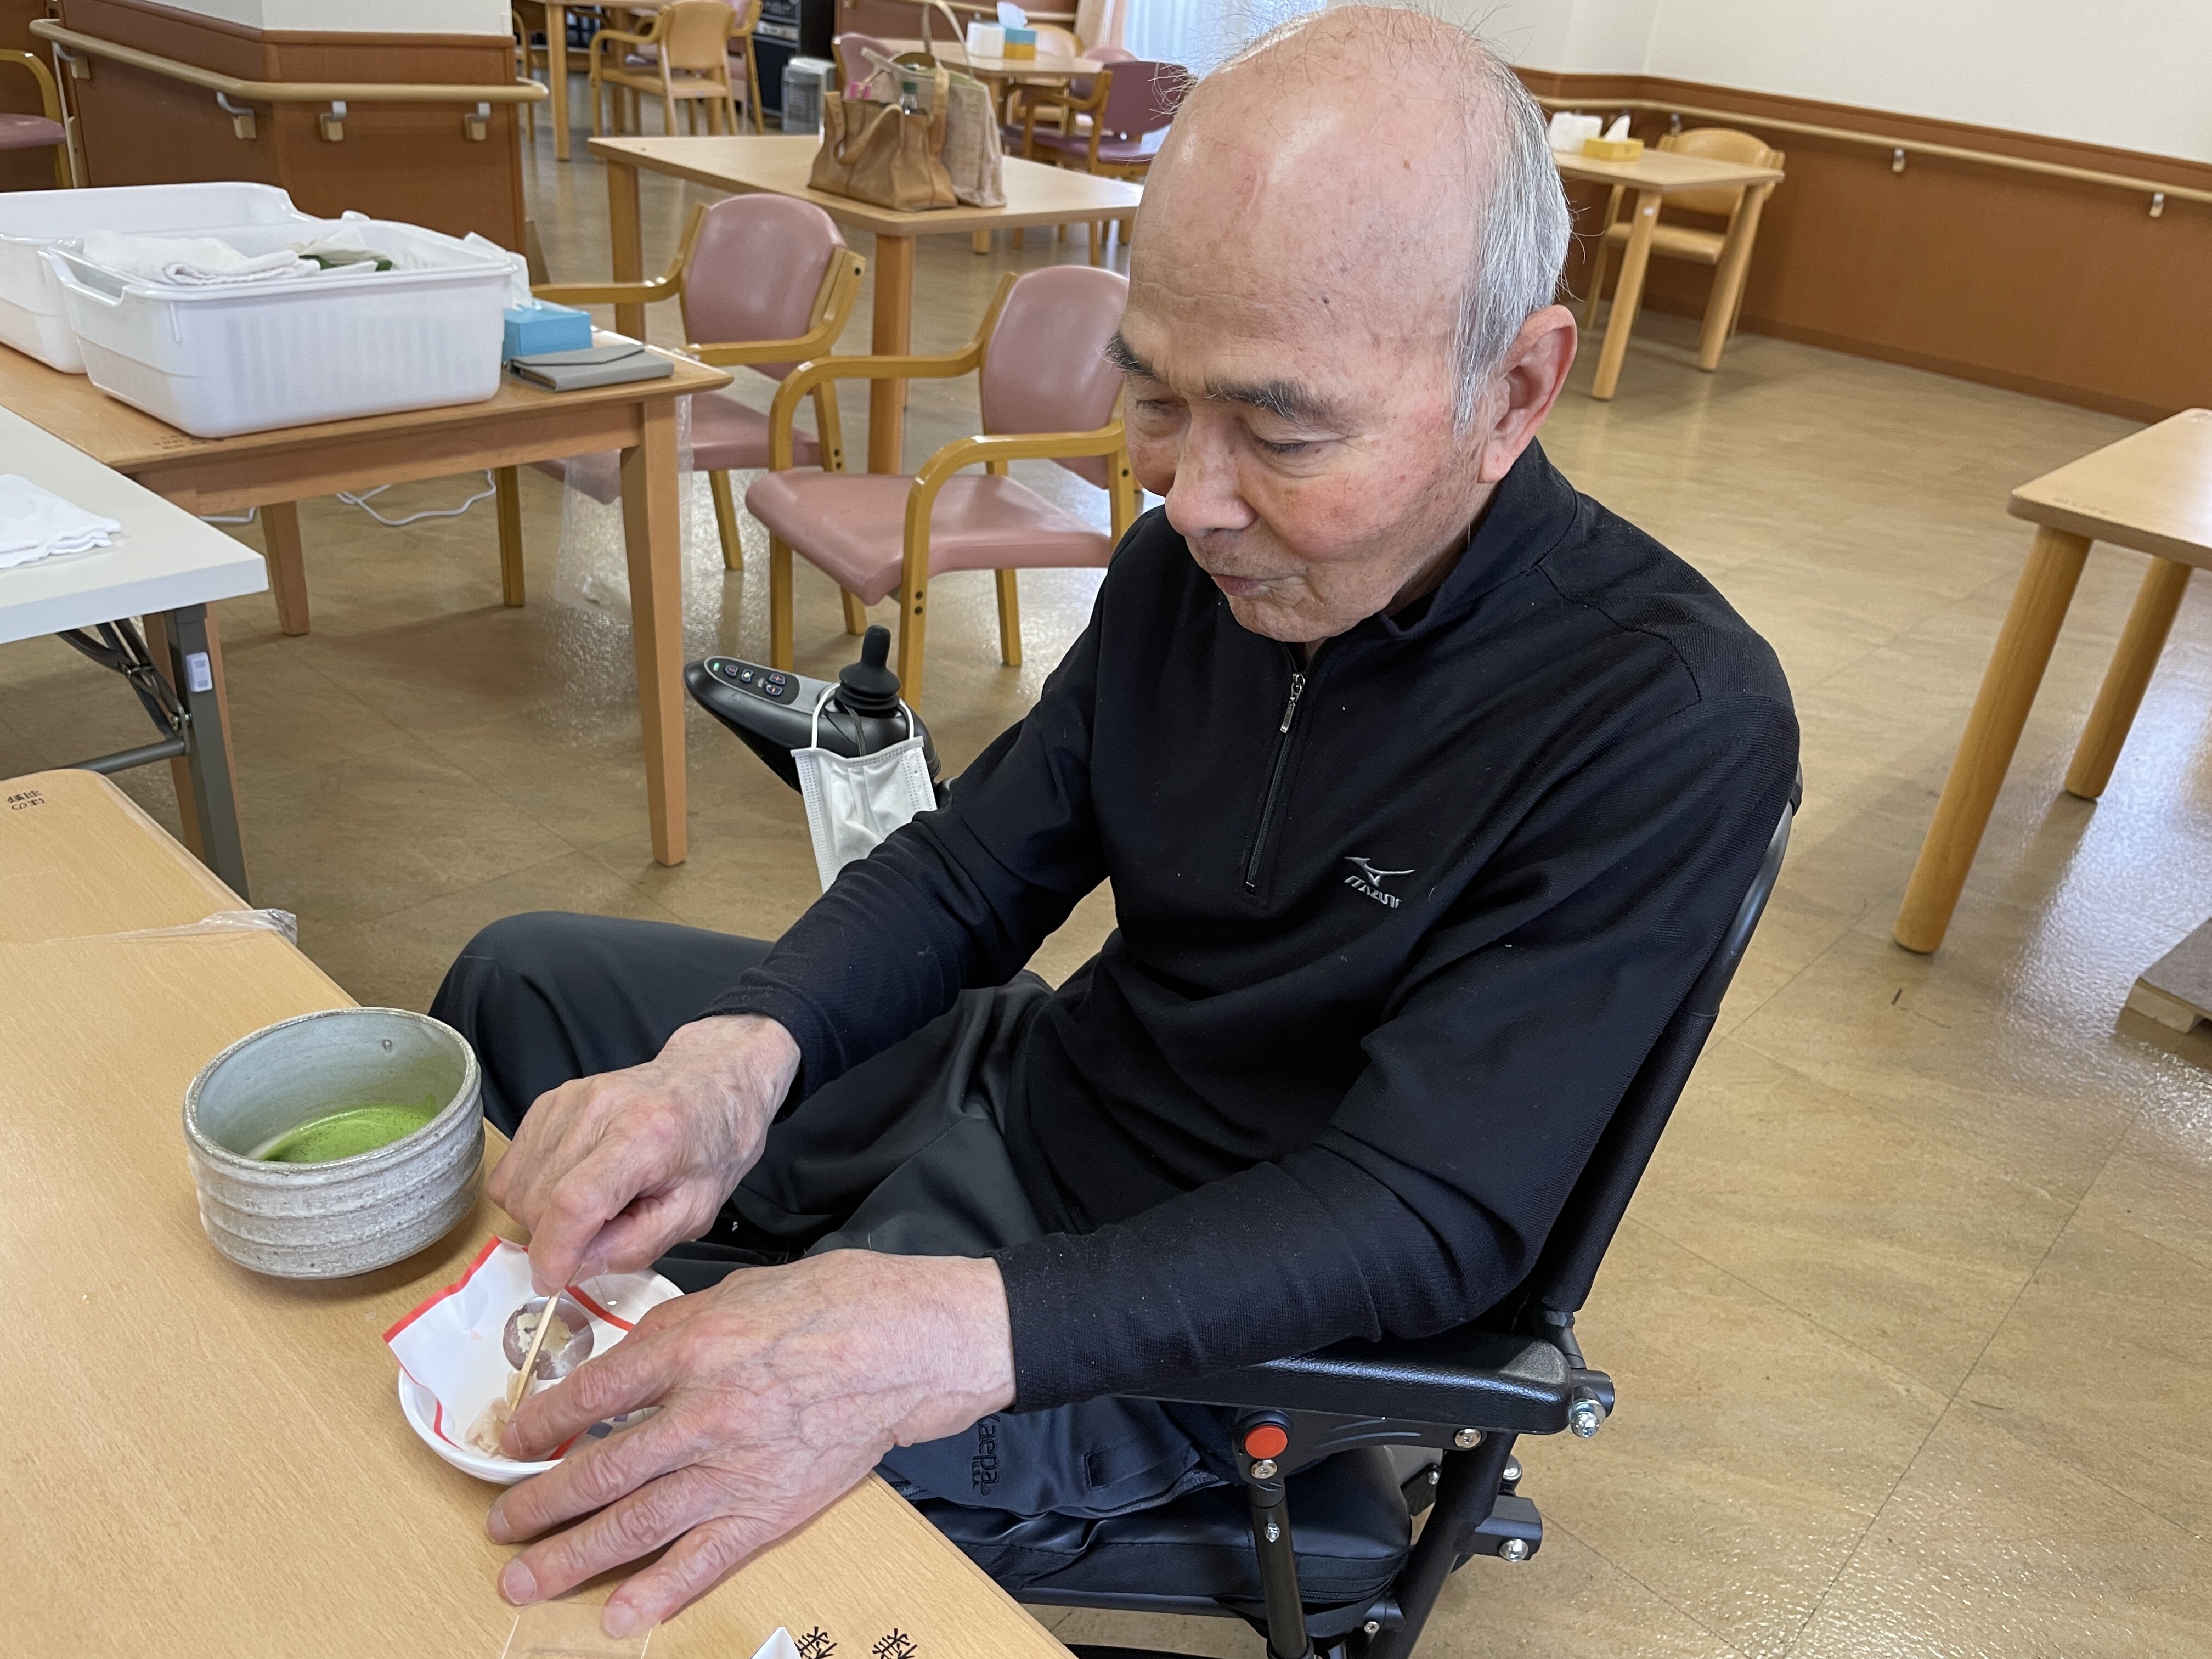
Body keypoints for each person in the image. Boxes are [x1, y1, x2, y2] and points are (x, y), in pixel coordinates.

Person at [432, 5, 1798, 1637]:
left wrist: (937, 1329)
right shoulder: (1195, 571)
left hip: (1220, 1293)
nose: (1188, 497)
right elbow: (976, 865)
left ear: (1513, 389)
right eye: (1152, 397)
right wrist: (745, 1052)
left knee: (639, 1462)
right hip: (1047, 1077)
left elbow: (1427, 1213)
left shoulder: (1663, 717)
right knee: (523, 987)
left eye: (1283, 434)